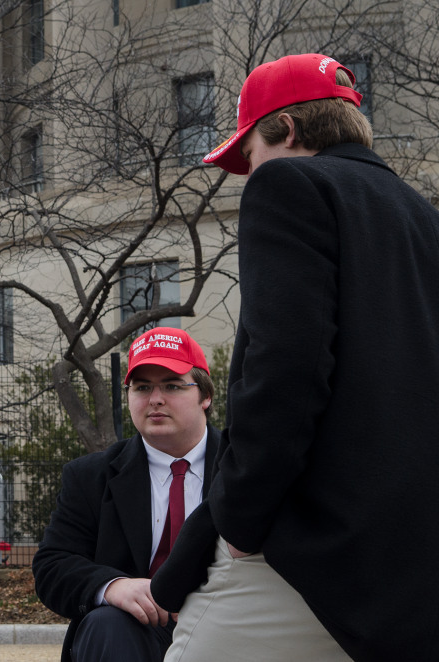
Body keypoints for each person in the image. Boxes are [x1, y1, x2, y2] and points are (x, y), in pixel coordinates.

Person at [152, 53, 439, 662]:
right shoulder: (423, 217)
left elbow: (286, 371)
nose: (246, 172)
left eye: (248, 153)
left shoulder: (289, 184)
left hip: (312, 544)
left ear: (285, 130)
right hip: (415, 559)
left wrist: (241, 521)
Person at [32, 327, 219, 662]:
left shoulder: (244, 469)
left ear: (205, 396)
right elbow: (53, 566)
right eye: (142, 387)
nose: (156, 399)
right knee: (107, 624)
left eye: (173, 386)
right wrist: (113, 586)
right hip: (133, 630)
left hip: (225, 624)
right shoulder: (90, 476)